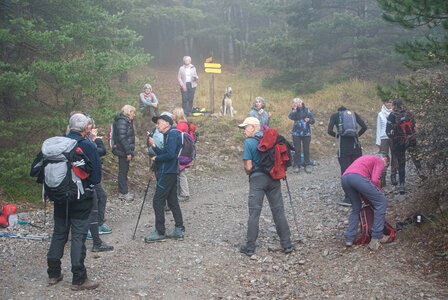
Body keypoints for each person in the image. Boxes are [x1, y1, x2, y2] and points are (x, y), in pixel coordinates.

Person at [47, 113, 101, 290]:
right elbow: (97, 176)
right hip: (81, 197)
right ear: (86, 128)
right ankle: (79, 278)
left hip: (60, 195)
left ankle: (54, 273)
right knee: (78, 236)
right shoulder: (87, 145)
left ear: (69, 126)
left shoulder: (59, 144)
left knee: (59, 233)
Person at [238, 117, 295, 257]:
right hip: (274, 178)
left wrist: (250, 172)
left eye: (245, 128)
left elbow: (248, 166)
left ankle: (250, 248)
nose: (243, 131)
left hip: (257, 180)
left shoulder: (249, 142)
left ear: (254, 127)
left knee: (254, 213)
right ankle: (286, 244)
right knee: (278, 211)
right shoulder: (272, 139)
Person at [144, 113, 185, 243]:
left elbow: (170, 155)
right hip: (171, 171)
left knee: (157, 201)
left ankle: (160, 232)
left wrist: (157, 158)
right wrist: (154, 146)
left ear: (167, 123)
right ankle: (179, 229)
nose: (157, 126)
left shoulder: (172, 134)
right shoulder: (169, 134)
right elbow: (167, 153)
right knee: (172, 201)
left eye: (159, 123)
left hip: (167, 172)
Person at [341, 153, 390, 250]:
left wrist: (369, 198)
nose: (384, 167)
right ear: (384, 159)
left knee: (356, 207)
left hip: (345, 178)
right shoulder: (379, 160)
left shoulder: (366, 158)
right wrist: (375, 198)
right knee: (381, 202)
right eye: (386, 165)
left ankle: (349, 238)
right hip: (357, 178)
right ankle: (377, 237)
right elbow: (374, 181)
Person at [328, 106, 368, 206]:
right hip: (356, 146)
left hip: (344, 148)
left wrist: (338, 136)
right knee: (358, 171)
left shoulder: (335, 116)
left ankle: (349, 198)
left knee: (345, 172)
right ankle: (360, 195)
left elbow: (329, 130)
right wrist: (356, 135)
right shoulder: (354, 114)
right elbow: (364, 127)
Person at [85, 115, 113, 252]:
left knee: (101, 197)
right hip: (89, 176)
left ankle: (98, 225)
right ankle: (93, 229)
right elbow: (100, 151)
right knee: (97, 199)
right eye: (90, 125)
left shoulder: (85, 138)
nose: (91, 127)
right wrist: (97, 140)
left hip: (91, 173)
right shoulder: (86, 139)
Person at [386, 100, 424, 194]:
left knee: (401, 163)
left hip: (399, 141)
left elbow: (387, 131)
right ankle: (420, 171)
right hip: (411, 139)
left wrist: (393, 138)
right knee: (415, 156)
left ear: (394, 106)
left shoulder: (392, 115)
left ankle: (402, 185)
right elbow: (414, 125)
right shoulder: (409, 113)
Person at [172, 107, 196, 202]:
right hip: (187, 153)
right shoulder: (186, 124)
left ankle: (184, 194)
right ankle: (182, 193)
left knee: (181, 174)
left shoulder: (180, 126)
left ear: (177, 115)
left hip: (181, 153)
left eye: (173, 114)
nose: (172, 115)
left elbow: (177, 141)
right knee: (181, 173)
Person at [112, 105, 136, 201]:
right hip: (123, 151)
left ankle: (124, 191)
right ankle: (123, 193)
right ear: (128, 112)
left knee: (124, 171)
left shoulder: (126, 121)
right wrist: (128, 152)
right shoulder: (122, 122)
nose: (134, 114)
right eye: (133, 112)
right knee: (123, 171)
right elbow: (122, 138)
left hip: (124, 151)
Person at [288, 98, 315, 174]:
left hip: (306, 133)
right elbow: (290, 117)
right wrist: (294, 109)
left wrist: (309, 120)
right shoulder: (294, 111)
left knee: (306, 149)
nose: (298, 103)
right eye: (296, 102)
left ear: (302, 102)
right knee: (297, 150)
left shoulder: (307, 110)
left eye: (299, 102)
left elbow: (313, 121)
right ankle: (297, 165)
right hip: (296, 134)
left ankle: (307, 165)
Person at [376, 99, 394, 187]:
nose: (389, 104)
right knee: (384, 159)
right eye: (387, 102)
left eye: (390, 102)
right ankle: (383, 177)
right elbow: (378, 128)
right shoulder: (380, 114)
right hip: (383, 138)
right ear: (384, 103)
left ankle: (393, 175)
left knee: (395, 156)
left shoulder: (394, 113)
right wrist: (378, 141)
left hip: (393, 137)